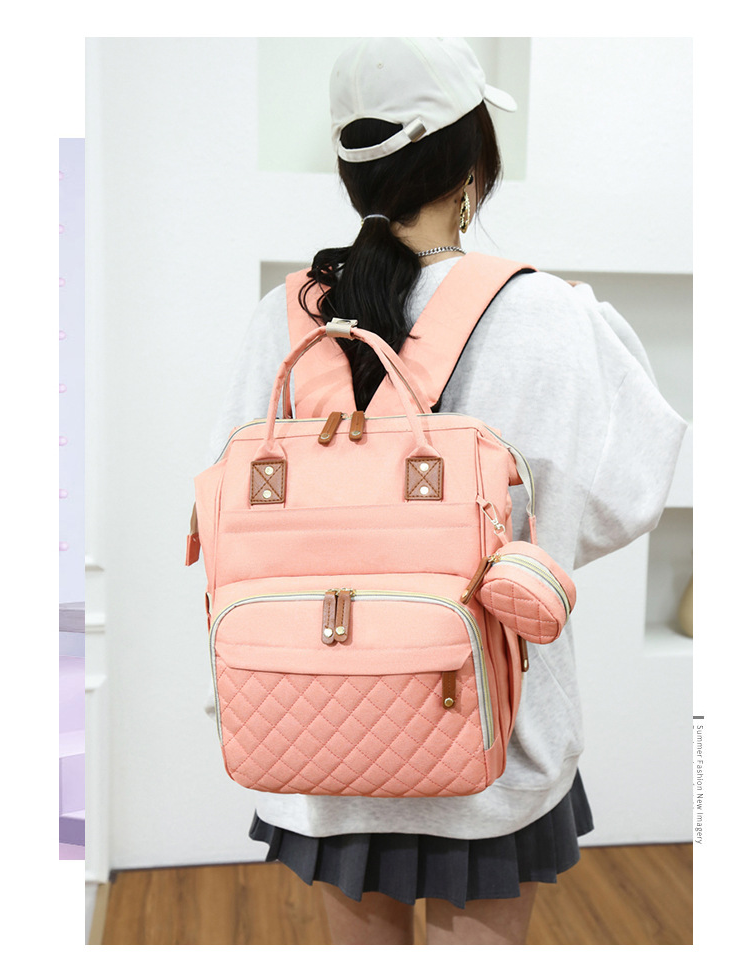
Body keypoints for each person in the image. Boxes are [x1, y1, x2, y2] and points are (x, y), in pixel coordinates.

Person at [205, 37, 687, 945]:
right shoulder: (548, 313)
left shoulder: (284, 319)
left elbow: (234, 512)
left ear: (353, 170)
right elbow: (620, 500)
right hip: (488, 727)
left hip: (317, 715)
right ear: (472, 165)